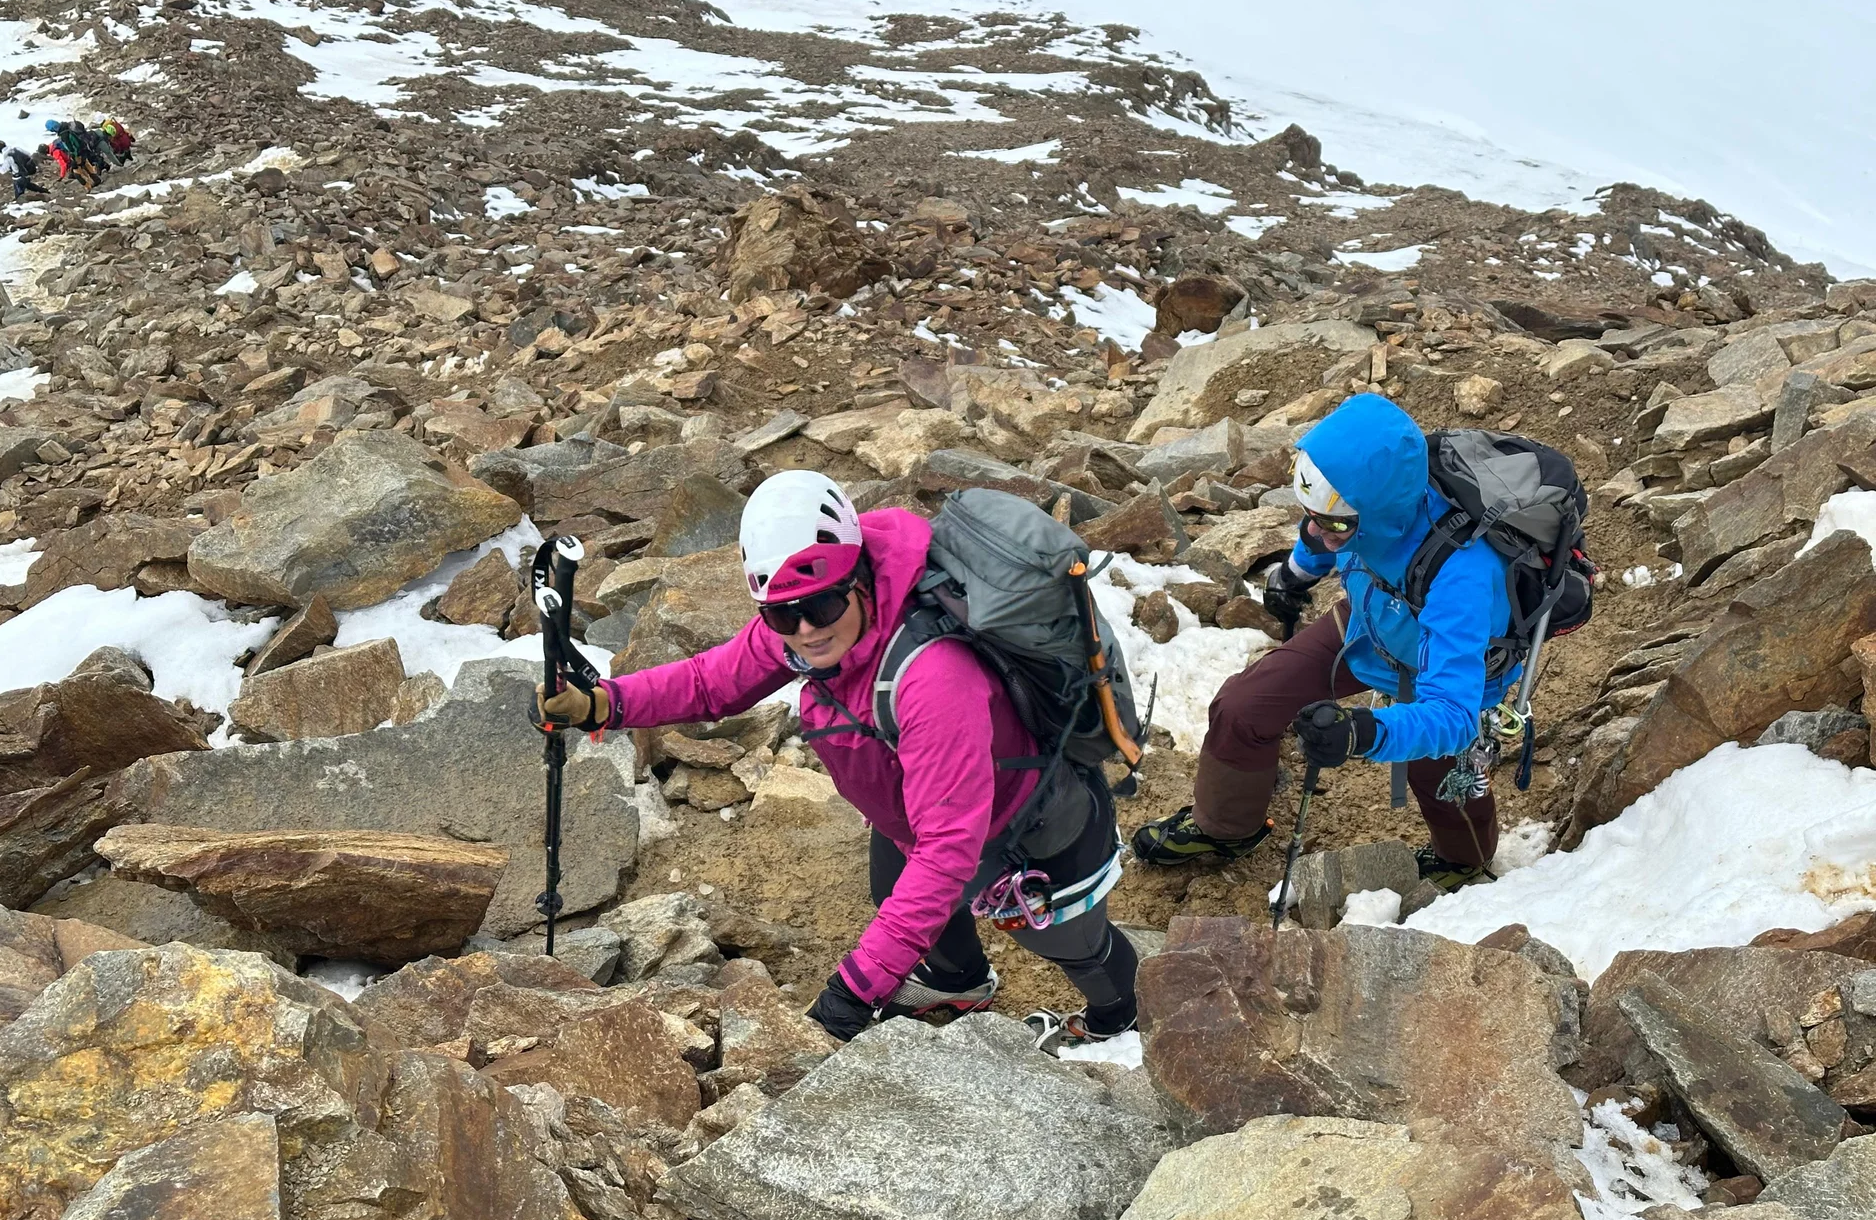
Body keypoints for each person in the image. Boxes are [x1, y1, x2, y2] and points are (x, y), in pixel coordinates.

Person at [532, 470, 1142, 1045]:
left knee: (1074, 945)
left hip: (1030, 831)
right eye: (779, 615)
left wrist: (854, 990)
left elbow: (947, 853)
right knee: (892, 889)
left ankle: (1119, 1021)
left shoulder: (933, 677)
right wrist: (600, 704)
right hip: (916, 809)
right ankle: (959, 986)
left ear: (858, 578)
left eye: (821, 607)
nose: (803, 631)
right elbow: (710, 682)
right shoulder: (811, 615)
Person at [1133, 393, 1512, 890]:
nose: (1314, 527)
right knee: (1242, 706)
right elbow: (1319, 536)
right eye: (1308, 509)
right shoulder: (1348, 509)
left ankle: (1465, 860)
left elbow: (1455, 716)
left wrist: (1363, 732)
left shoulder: (1462, 571)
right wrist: (1293, 574)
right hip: (1368, 624)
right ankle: (1225, 830)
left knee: (1438, 778)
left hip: (1441, 661)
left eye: (1334, 522)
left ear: (1379, 514)